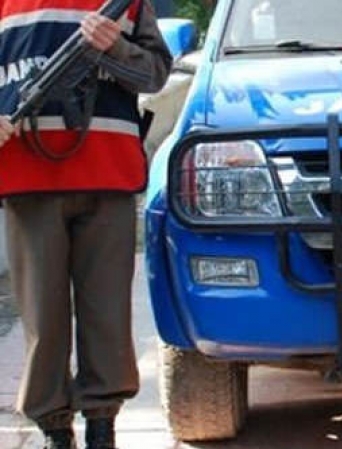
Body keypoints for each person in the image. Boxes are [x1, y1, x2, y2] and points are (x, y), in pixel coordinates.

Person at [0, 1, 172, 448]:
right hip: (27, 178)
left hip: (107, 175)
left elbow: (154, 74)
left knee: (108, 312)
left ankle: (102, 429)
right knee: (43, 316)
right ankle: (55, 431)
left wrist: (114, 47)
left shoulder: (125, 6)